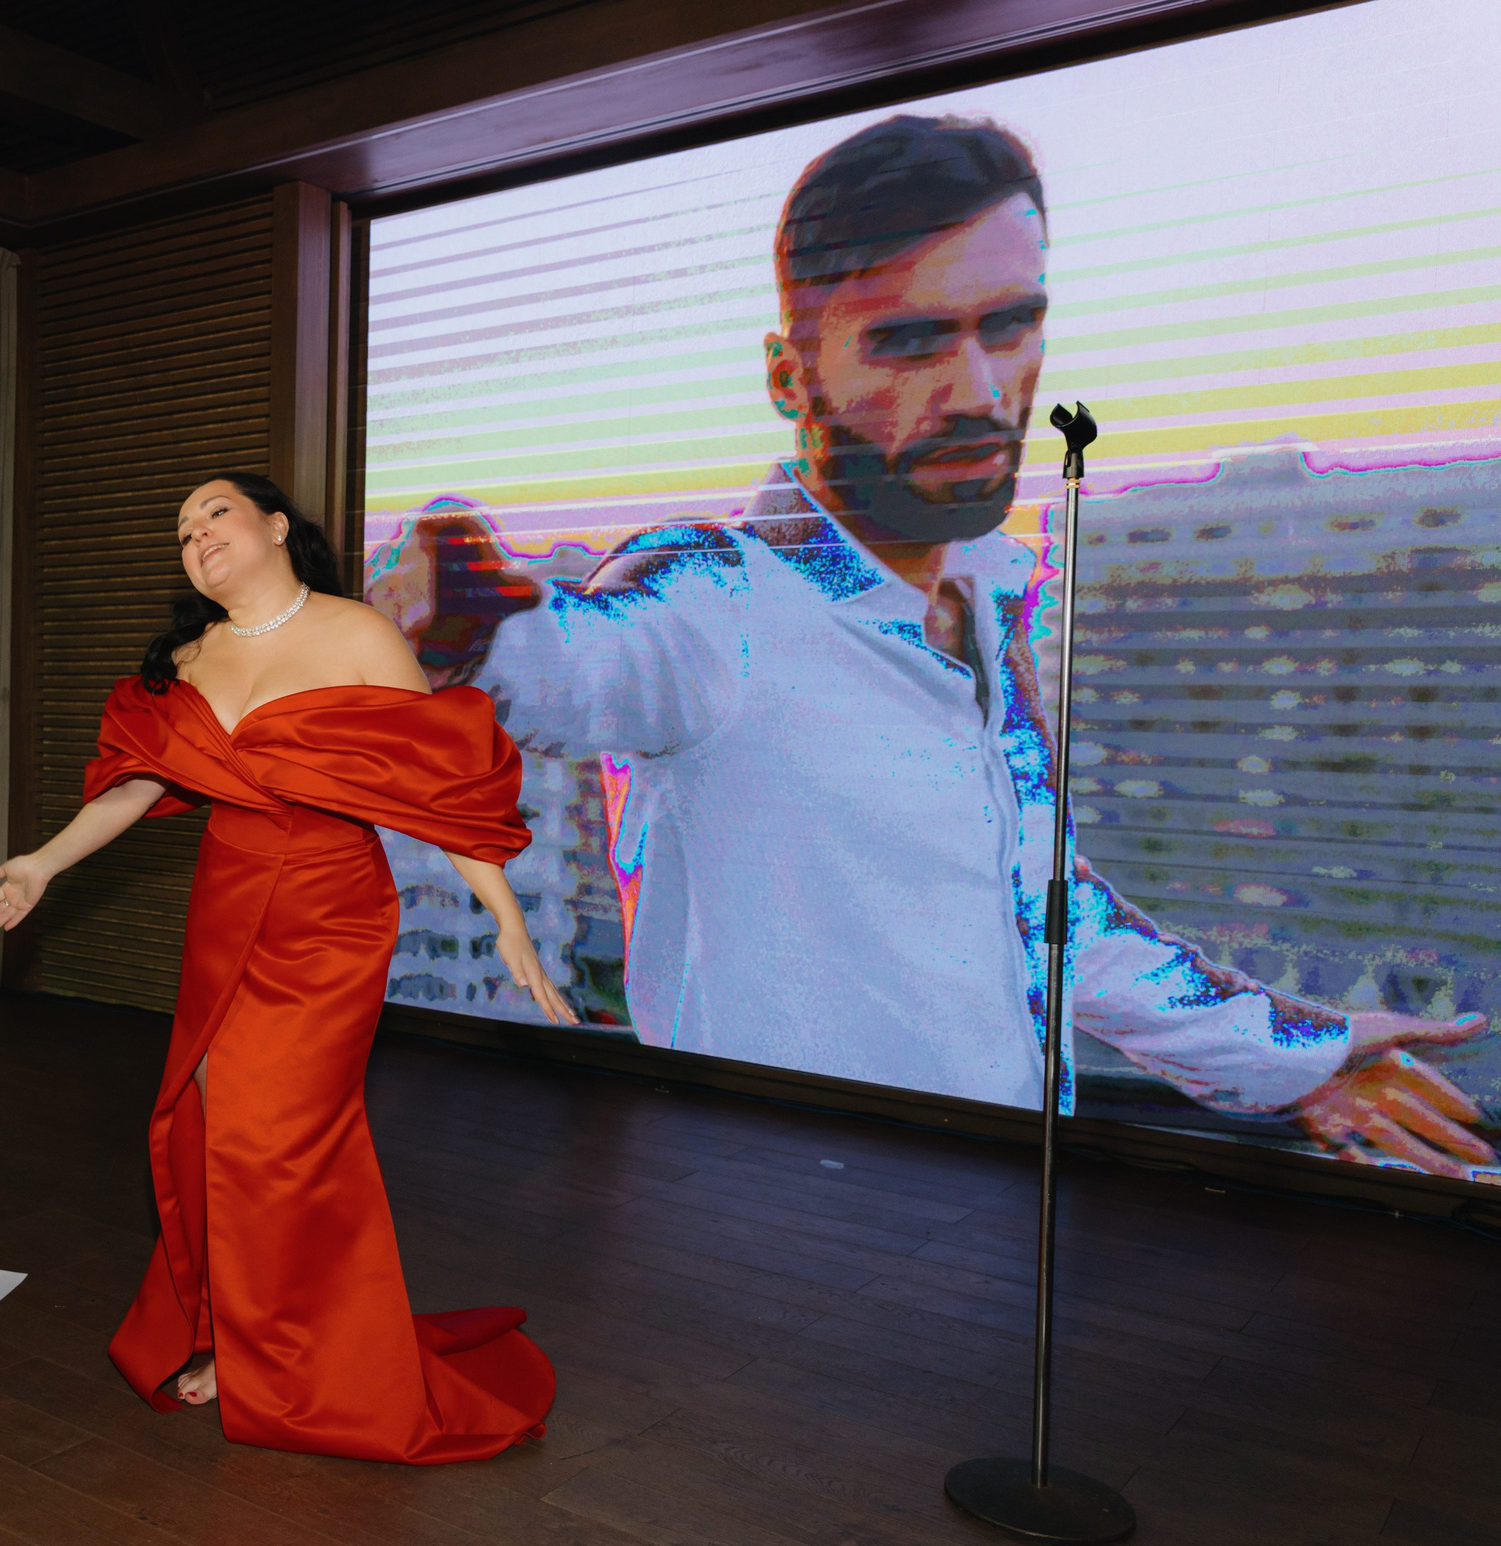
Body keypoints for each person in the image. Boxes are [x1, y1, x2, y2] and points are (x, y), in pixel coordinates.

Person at [369, 114, 1492, 1176]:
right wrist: (465, 620)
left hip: (988, 1216)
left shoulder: (981, 610)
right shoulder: (716, 596)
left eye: (1009, 324)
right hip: (775, 1240)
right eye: (908, 342)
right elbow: (574, 661)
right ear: (786, 374)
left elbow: (1047, 916)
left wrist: (1305, 1054)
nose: (981, 390)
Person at [0, 472, 570, 1462]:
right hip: (227, 904)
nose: (195, 533)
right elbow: (133, 789)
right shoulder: (188, 656)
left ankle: (287, 1354)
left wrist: (503, 912)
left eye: (214, 511)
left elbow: (440, 787)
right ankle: (231, 1332)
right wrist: (43, 859)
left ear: (275, 525)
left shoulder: (357, 635)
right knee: (212, 1125)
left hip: (330, 915)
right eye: (179, 529)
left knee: (280, 1139)